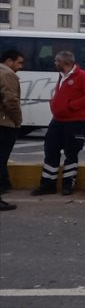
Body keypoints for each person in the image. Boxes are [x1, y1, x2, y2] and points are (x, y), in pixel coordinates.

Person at [31, 51, 85, 196]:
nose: (55, 64)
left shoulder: (82, 76)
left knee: (71, 153)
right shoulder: (61, 76)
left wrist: (71, 106)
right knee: (50, 150)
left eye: (57, 61)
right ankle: (48, 185)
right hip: (58, 120)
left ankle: (68, 185)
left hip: (74, 121)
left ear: (65, 62)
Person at [1, 49, 24, 211]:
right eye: (19, 62)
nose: (20, 67)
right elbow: (11, 101)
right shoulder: (7, 74)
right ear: (9, 61)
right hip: (4, 124)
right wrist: (17, 121)